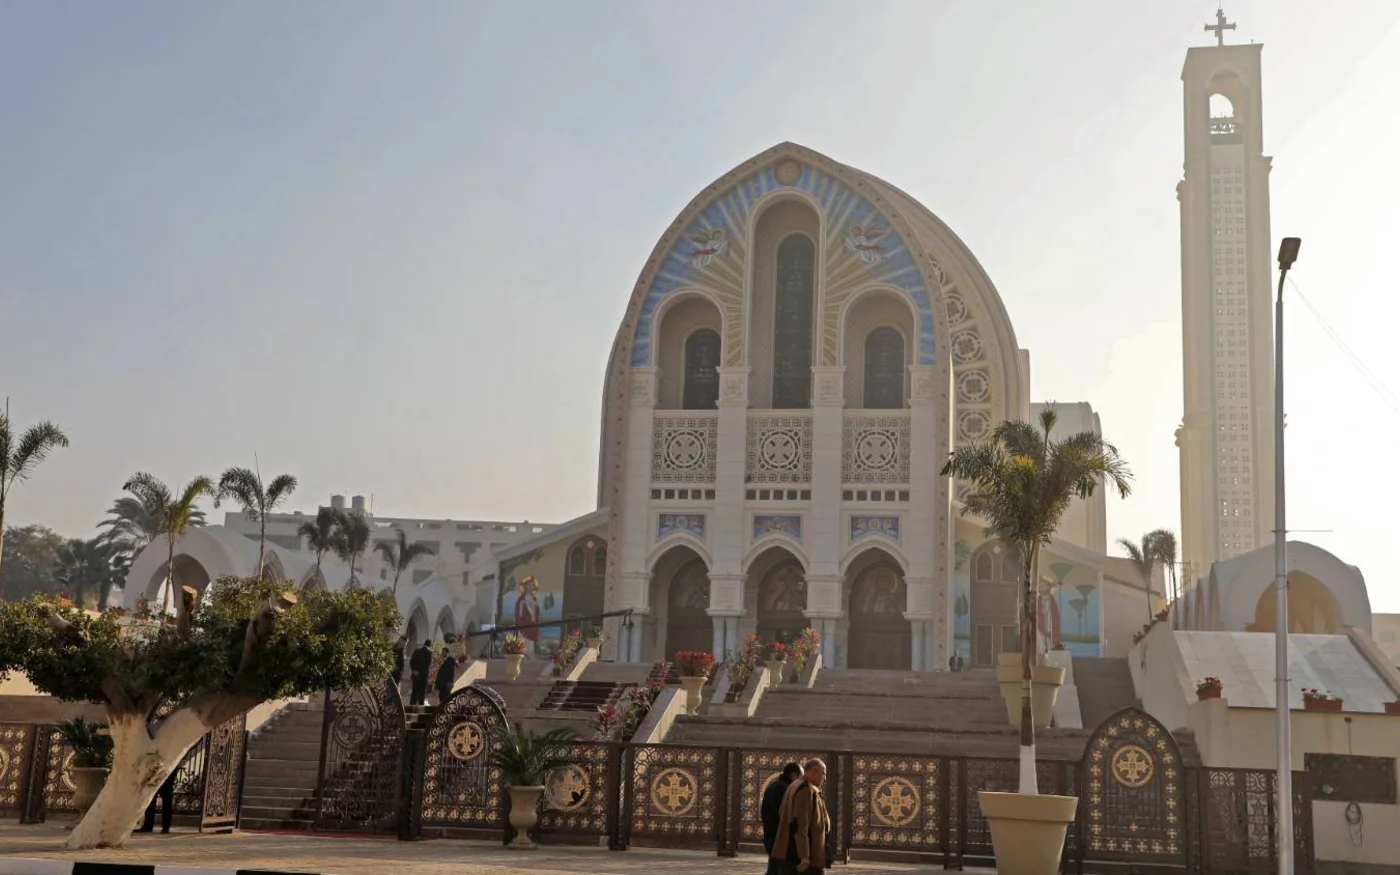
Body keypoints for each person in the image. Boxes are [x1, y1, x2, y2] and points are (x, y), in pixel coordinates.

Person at [771, 759, 831, 875]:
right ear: (814, 771)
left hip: (792, 851)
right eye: (823, 773)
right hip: (805, 856)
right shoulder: (806, 790)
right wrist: (804, 855)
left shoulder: (795, 785)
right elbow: (800, 824)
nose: (824, 777)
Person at [761, 762, 802, 875]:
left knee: (774, 869)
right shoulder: (785, 789)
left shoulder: (773, 786)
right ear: (794, 775)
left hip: (771, 837)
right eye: (801, 777)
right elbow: (786, 816)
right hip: (781, 840)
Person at [408, 639, 433, 706]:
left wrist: (414, 670)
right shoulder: (429, 653)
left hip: (415, 675)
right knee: (422, 693)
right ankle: (420, 708)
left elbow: (411, 662)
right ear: (430, 645)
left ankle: (411, 707)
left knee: (414, 692)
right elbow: (429, 663)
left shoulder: (416, 651)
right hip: (423, 676)